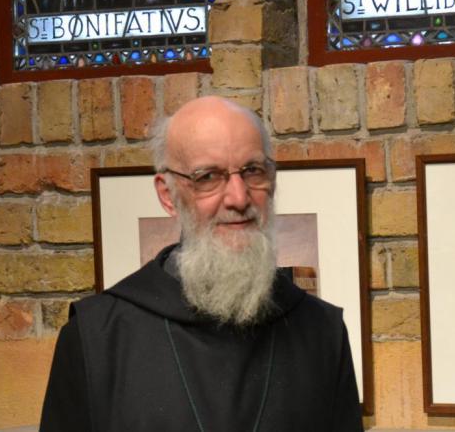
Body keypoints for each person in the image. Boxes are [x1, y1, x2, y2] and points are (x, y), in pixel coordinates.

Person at [40, 97, 363, 431]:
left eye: (252, 171)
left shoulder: (322, 331)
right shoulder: (96, 337)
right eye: (208, 176)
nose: (239, 198)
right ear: (168, 195)